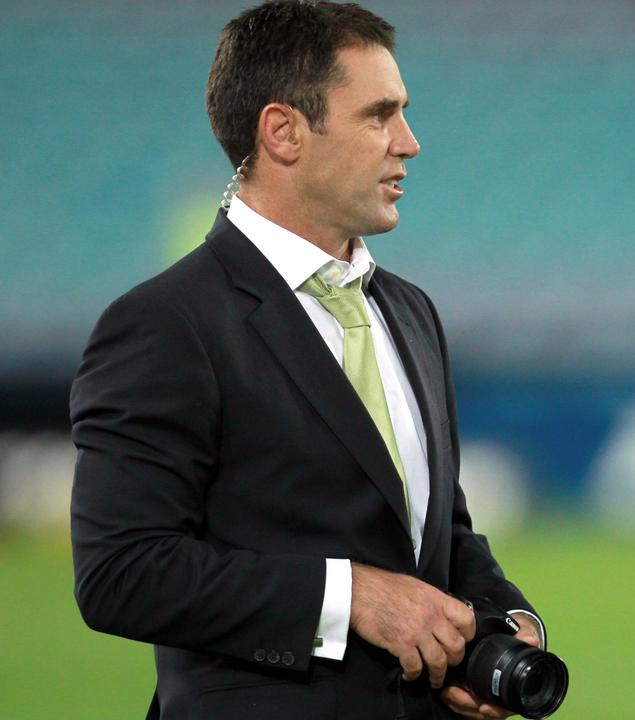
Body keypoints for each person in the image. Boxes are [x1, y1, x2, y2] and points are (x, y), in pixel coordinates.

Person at [69, 3, 543, 719]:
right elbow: (121, 573)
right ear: (283, 132)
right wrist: (349, 596)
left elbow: (440, 533)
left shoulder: (410, 311)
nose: (409, 142)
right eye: (379, 115)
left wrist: (506, 619)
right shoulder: (166, 324)